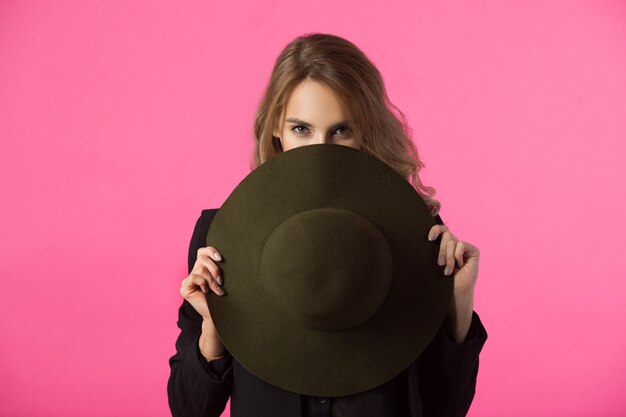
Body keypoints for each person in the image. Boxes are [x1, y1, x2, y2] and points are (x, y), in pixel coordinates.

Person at [167, 33, 487, 417]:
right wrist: (216, 325)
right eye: (302, 129)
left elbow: (445, 409)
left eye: (342, 130)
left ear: (367, 132)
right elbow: (189, 410)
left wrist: (459, 303)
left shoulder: (416, 234)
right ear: (276, 131)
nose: (321, 149)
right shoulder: (220, 241)